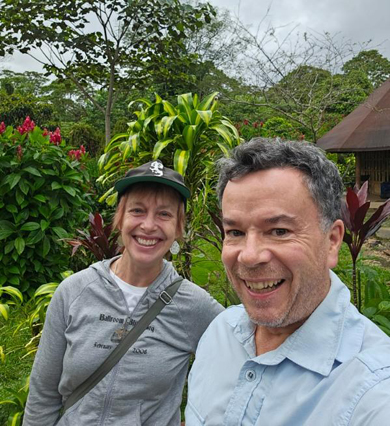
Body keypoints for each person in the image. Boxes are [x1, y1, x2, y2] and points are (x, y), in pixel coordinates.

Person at [185, 138, 390, 426]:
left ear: (332, 241)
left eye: (279, 231)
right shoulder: (219, 333)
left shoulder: (373, 391)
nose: (249, 256)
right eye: (235, 232)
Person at [23, 160, 223, 426]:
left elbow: (241, 363)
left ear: (178, 227)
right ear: (120, 218)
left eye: (164, 214)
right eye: (137, 211)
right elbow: (43, 394)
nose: (149, 225)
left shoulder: (195, 306)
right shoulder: (74, 292)